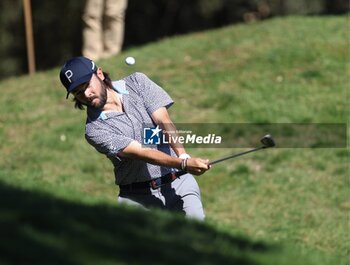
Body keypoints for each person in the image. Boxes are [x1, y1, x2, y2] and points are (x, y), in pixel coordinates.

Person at [59, 56, 210, 220]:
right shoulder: (94, 130)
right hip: (138, 199)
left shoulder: (137, 82)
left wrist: (183, 156)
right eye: (78, 92)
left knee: (198, 240)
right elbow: (140, 152)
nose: (86, 94)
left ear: (100, 74)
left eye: (87, 85)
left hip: (179, 183)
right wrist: (183, 164)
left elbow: (163, 120)